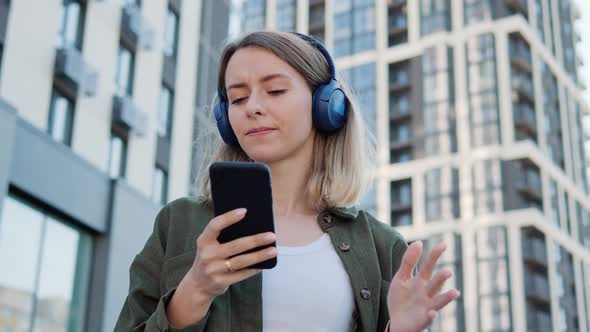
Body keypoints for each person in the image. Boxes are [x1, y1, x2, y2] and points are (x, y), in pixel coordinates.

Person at [114, 31, 459, 332]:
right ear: (225, 119)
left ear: (327, 106)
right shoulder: (179, 223)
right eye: (237, 98)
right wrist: (195, 291)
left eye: (275, 90)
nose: (252, 107)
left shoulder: (382, 246)